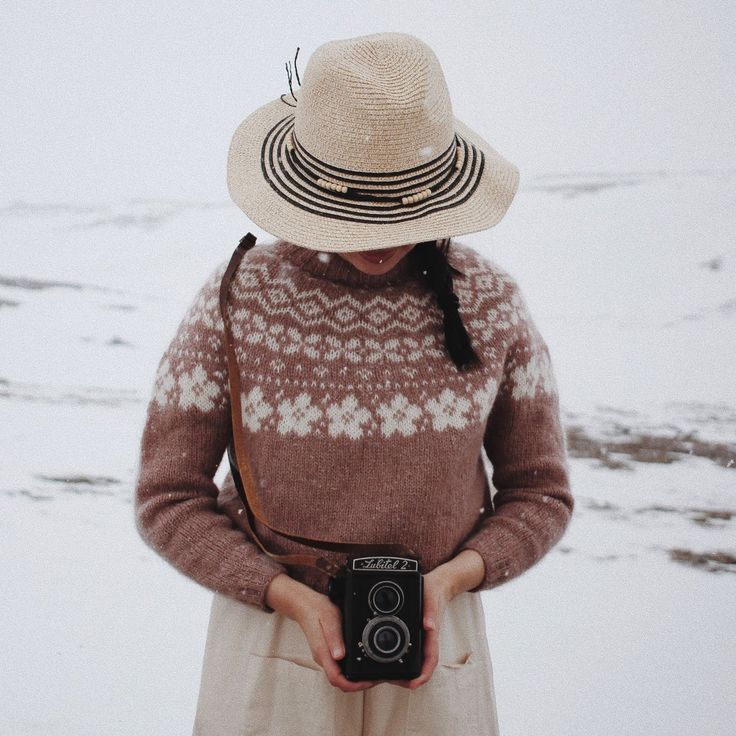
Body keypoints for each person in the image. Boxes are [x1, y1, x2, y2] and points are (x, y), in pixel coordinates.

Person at [133, 32, 574, 736]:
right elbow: (167, 497)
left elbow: (541, 493)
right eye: (357, 206)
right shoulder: (242, 297)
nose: (379, 233)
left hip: (436, 645)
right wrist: (281, 595)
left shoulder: (487, 303)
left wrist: (450, 582)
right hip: (270, 641)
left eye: (400, 207)